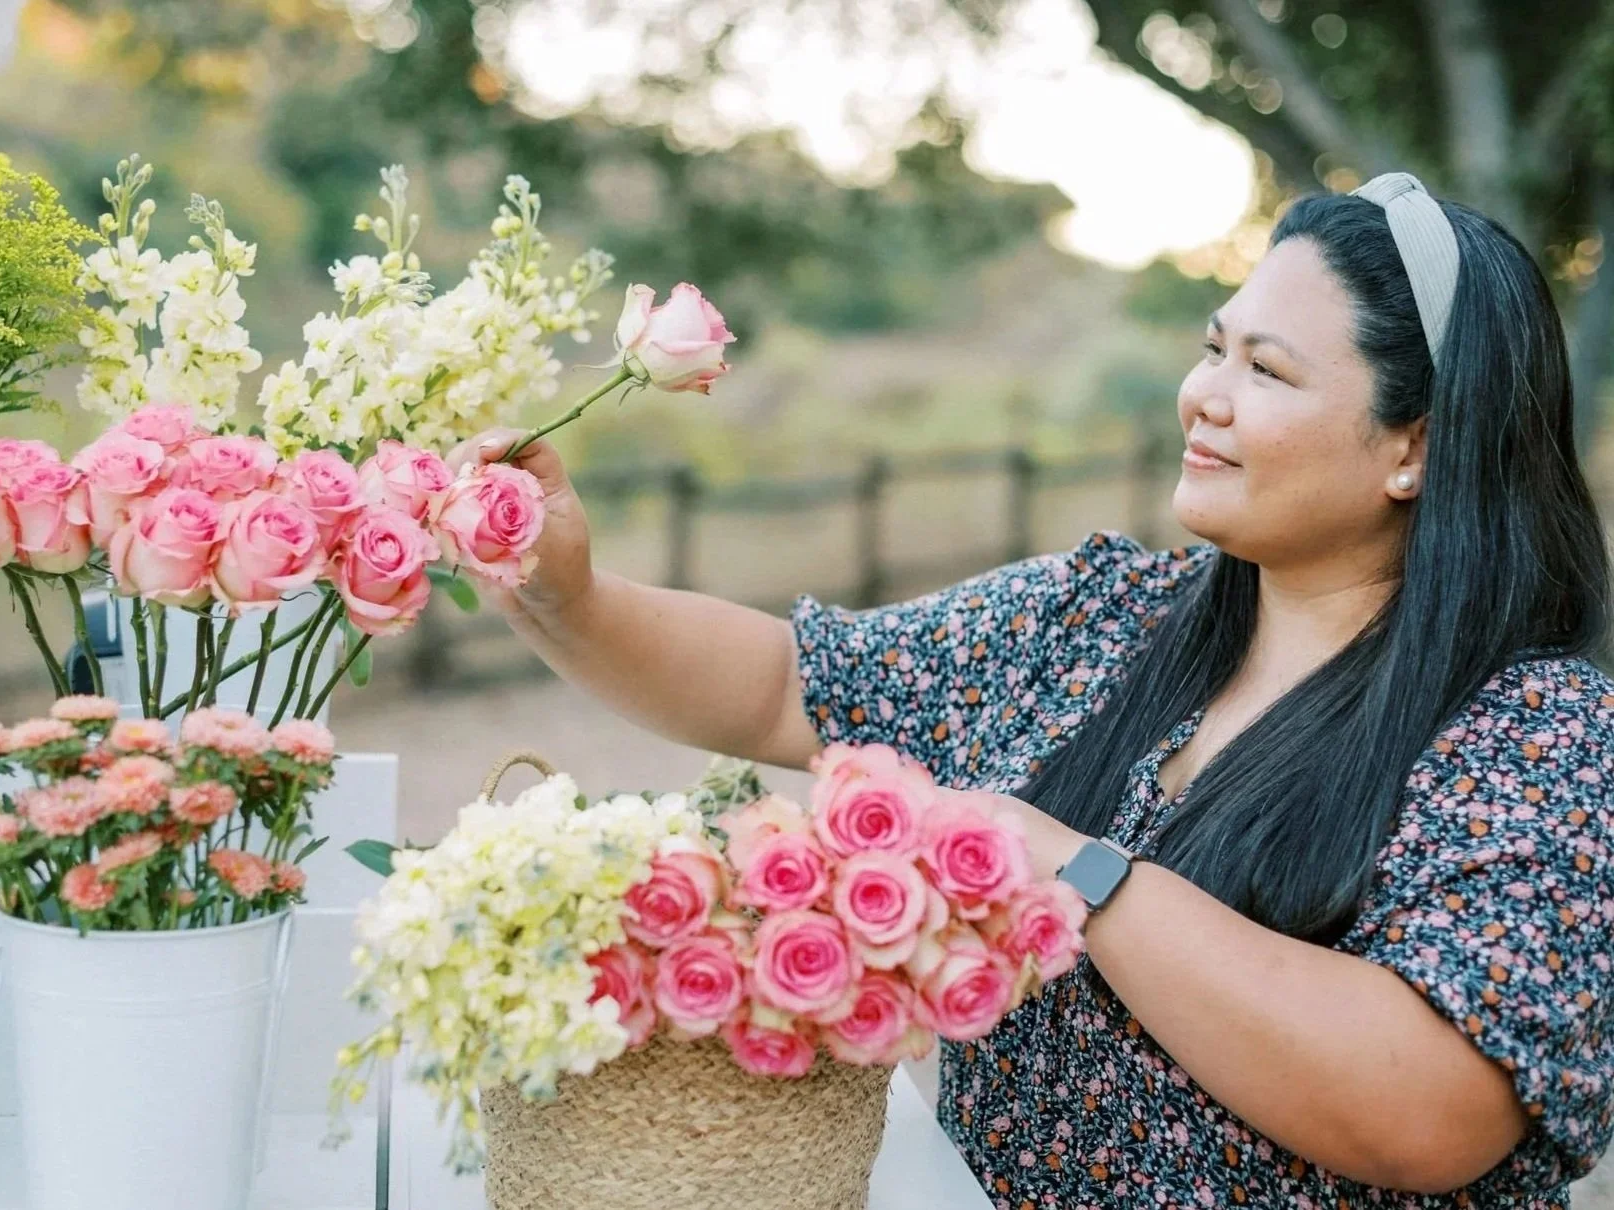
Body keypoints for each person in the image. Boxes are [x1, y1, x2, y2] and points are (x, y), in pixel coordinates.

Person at [448, 173, 1614, 1208]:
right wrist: (571, 596)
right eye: (1213, 347)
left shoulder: (1537, 738)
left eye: (1264, 370)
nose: (1202, 394)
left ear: (1414, 446)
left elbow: (1427, 1111)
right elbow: (783, 690)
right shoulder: (1099, 617)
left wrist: (1078, 869)